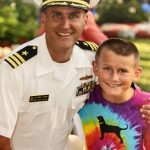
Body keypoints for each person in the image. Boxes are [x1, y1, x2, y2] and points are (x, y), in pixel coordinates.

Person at [0, 0, 100, 149]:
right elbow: (2, 137)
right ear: (44, 19)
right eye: (57, 15)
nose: (65, 25)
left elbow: (123, 93)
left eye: (74, 16)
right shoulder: (16, 68)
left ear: (85, 20)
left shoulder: (92, 58)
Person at [79, 38, 150, 150]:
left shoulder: (146, 104)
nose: (114, 78)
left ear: (136, 74)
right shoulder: (84, 96)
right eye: (107, 69)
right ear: (95, 68)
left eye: (122, 71)